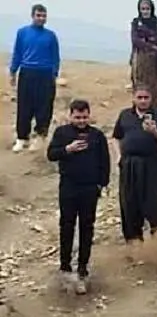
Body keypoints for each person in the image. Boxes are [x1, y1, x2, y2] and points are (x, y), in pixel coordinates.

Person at [47, 99, 109, 296]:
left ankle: (83, 269)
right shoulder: (62, 133)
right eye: (77, 117)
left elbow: (104, 162)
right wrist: (68, 149)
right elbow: (51, 155)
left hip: (90, 189)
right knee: (66, 225)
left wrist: (102, 184)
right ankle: (65, 267)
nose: (81, 120)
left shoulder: (97, 135)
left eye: (84, 117)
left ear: (89, 115)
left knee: (87, 227)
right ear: (70, 115)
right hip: (68, 187)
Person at [113, 85, 157, 242]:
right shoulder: (125, 115)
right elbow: (116, 137)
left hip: (153, 164)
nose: (142, 101)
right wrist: (119, 156)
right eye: (139, 97)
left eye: (146, 98)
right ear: (134, 98)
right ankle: (134, 243)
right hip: (129, 165)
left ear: (151, 99)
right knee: (129, 202)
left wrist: (155, 132)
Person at [9, 4, 60, 153]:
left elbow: (55, 56)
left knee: (44, 107)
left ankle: (40, 136)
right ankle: (21, 138)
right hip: (27, 72)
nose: (41, 18)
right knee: (24, 106)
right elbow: (17, 53)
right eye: (38, 15)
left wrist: (54, 74)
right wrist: (13, 72)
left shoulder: (51, 36)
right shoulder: (22, 33)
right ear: (33, 16)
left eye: (43, 16)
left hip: (45, 74)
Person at [130, 1, 157, 109]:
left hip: (156, 61)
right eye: (143, 9)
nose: (145, 11)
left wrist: (148, 38)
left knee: (156, 86)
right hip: (141, 59)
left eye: (147, 9)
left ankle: (155, 110)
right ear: (139, 10)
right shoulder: (136, 23)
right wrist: (153, 45)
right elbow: (136, 40)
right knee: (140, 85)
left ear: (152, 9)